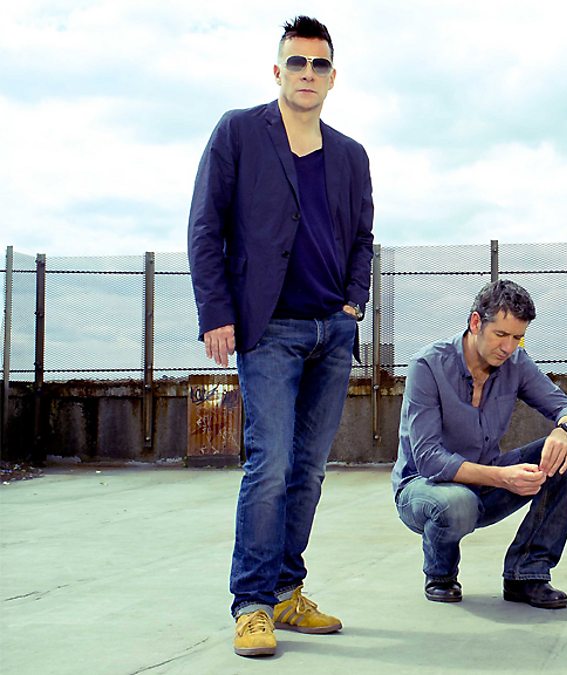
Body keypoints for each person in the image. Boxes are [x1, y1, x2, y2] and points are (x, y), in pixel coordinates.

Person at [188, 16, 374, 656]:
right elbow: (205, 225)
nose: (307, 74)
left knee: (310, 470)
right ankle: (252, 604)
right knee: (269, 464)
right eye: (297, 62)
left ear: (332, 77)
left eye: (319, 64)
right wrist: (217, 312)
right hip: (268, 328)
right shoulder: (239, 131)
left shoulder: (350, 155)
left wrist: (354, 303)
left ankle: (288, 592)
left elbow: (362, 238)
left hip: (332, 332)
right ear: (277, 71)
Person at [392, 280, 567, 609]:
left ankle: (526, 573)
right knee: (457, 503)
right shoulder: (427, 366)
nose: (508, 347)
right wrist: (503, 477)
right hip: (425, 489)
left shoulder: (516, 362)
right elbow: (429, 459)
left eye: (517, 338)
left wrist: (564, 431)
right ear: (475, 323)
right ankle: (440, 573)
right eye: (501, 335)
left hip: (487, 483)